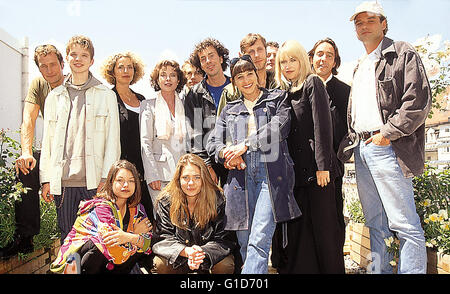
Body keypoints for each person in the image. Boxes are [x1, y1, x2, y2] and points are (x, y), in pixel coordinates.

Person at [338, 1, 431, 274]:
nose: (363, 26)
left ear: (383, 23)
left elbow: (417, 102)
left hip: (388, 147)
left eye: (370, 20)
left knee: (405, 224)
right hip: (363, 149)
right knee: (376, 224)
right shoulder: (361, 65)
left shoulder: (402, 53)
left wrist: (386, 135)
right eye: (358, 22)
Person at [206, 55, 301, 274]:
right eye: (240, 76)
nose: (246, 80)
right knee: (245, 241)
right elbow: (213, 142)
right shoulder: (229, 109)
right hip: (240, 177)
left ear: (258, 74)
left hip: (271, 173)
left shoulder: (277, 99)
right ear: (234, 82)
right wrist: (226, 154)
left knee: (259, 239)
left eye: (250, 73)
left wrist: (246, 145)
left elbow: (279, 127)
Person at [271, 40, 345, 274]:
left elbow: (323, 127)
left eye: (293, 59)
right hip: (296, 177)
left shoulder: (313, 83)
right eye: (283, 61)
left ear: (303, 60)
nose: (288, 65)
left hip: (318, 174)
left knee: (325, 236)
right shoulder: (284, 92)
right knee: (301, 238)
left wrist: (323, 167)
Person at [40, 35, 121, 243]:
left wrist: (107, 178)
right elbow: (47, 141)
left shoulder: (106, 95)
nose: (78, 59)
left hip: (95, 184)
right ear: (66, 59)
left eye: (84, 55)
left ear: (91, 61)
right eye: (73, 54)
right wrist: (46, 179)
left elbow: (113, 141)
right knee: (68, 243)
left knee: (97, 243)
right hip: (64, 184)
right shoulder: (54, 97)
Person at [0, 44, 65, 259]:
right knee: (25, 169)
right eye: (43, 66)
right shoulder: (39, 84)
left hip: (73, 153)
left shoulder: (74, 82)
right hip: (50, 149)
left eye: (53, 65)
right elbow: (28, 118)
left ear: (62, 64)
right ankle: (25, 237)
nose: (49, 70)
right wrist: (26, 152)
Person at [50, 160, 152, 274]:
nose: (126, 185)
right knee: (98, 245)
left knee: (135, 252)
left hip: (114, 261)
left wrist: (127, 237)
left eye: (131, 181)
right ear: (111, 182)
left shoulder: (138, 209)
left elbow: (148, 244)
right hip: (76, 262)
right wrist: (134, 237)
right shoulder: (101, 207)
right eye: (120, 180)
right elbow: (111, 245)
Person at [151, 153, 235, 274]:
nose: (191, 183)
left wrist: (201, 252)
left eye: (197, 177)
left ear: (204, 178)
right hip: (179, 257)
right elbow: (162, 238)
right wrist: (186, 252)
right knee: (160, 264)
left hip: (207, 257)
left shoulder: (218, 200)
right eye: (185, 177)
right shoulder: (165, 202)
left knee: (225, 265)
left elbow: (224, 239)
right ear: (178, 179)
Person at [308, 37, 350, 252]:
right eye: (319, 54)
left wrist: (337, 158)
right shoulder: (302, 88)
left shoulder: (345, 91)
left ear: (335, 62)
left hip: (332, 169)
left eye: (329, 55)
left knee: (332, 220)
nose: (323, 59)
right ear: (311, 58)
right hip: (305, 168)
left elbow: (350, 129)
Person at [101, 52, 153, 221]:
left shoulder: (142, 99)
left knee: (146, 217)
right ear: (112, 72)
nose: (125, 71)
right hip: (121, 170)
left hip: (143, 169)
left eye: (129, 67)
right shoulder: (108, 98)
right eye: (120, 67)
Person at [140, 59, 187, 217]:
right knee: (163, 218)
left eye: (173, 75)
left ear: (178, 80)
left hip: (182, 174)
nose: (168, 79)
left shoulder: (185, 105)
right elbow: (145, 143)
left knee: (182, 217)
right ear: (157, 79)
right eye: (163, 75)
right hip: (159, 175)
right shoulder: (148, 105)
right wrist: (152, 175)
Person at [184, 37, 231, 187]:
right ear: (200, 65)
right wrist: (206, 166)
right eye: (203, 59)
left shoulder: (237, 86)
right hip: (211, 164)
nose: (208, 61)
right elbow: (195, 134)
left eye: (211, 55)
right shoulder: (194, 95)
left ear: (221, 58)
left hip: (237, 158)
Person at [217, 33, 277, 116]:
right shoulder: (230, 93)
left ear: (266, 52)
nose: (257, 55)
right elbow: (222, 126)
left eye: (260, 50)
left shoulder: (280, 85)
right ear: (241, 56)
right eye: (251, 52)